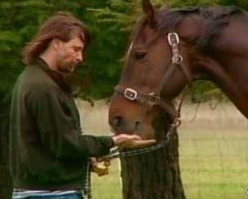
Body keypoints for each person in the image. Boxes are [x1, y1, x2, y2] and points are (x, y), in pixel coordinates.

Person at [9, 12, 155, 199]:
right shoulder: (43, 88)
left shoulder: (33, 79)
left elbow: (50, 143)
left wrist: (87, 156)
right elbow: (65, 145)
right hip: (51, 195)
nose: (80, 57)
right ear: (56, 43)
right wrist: (113, 141)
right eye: (75, 49)